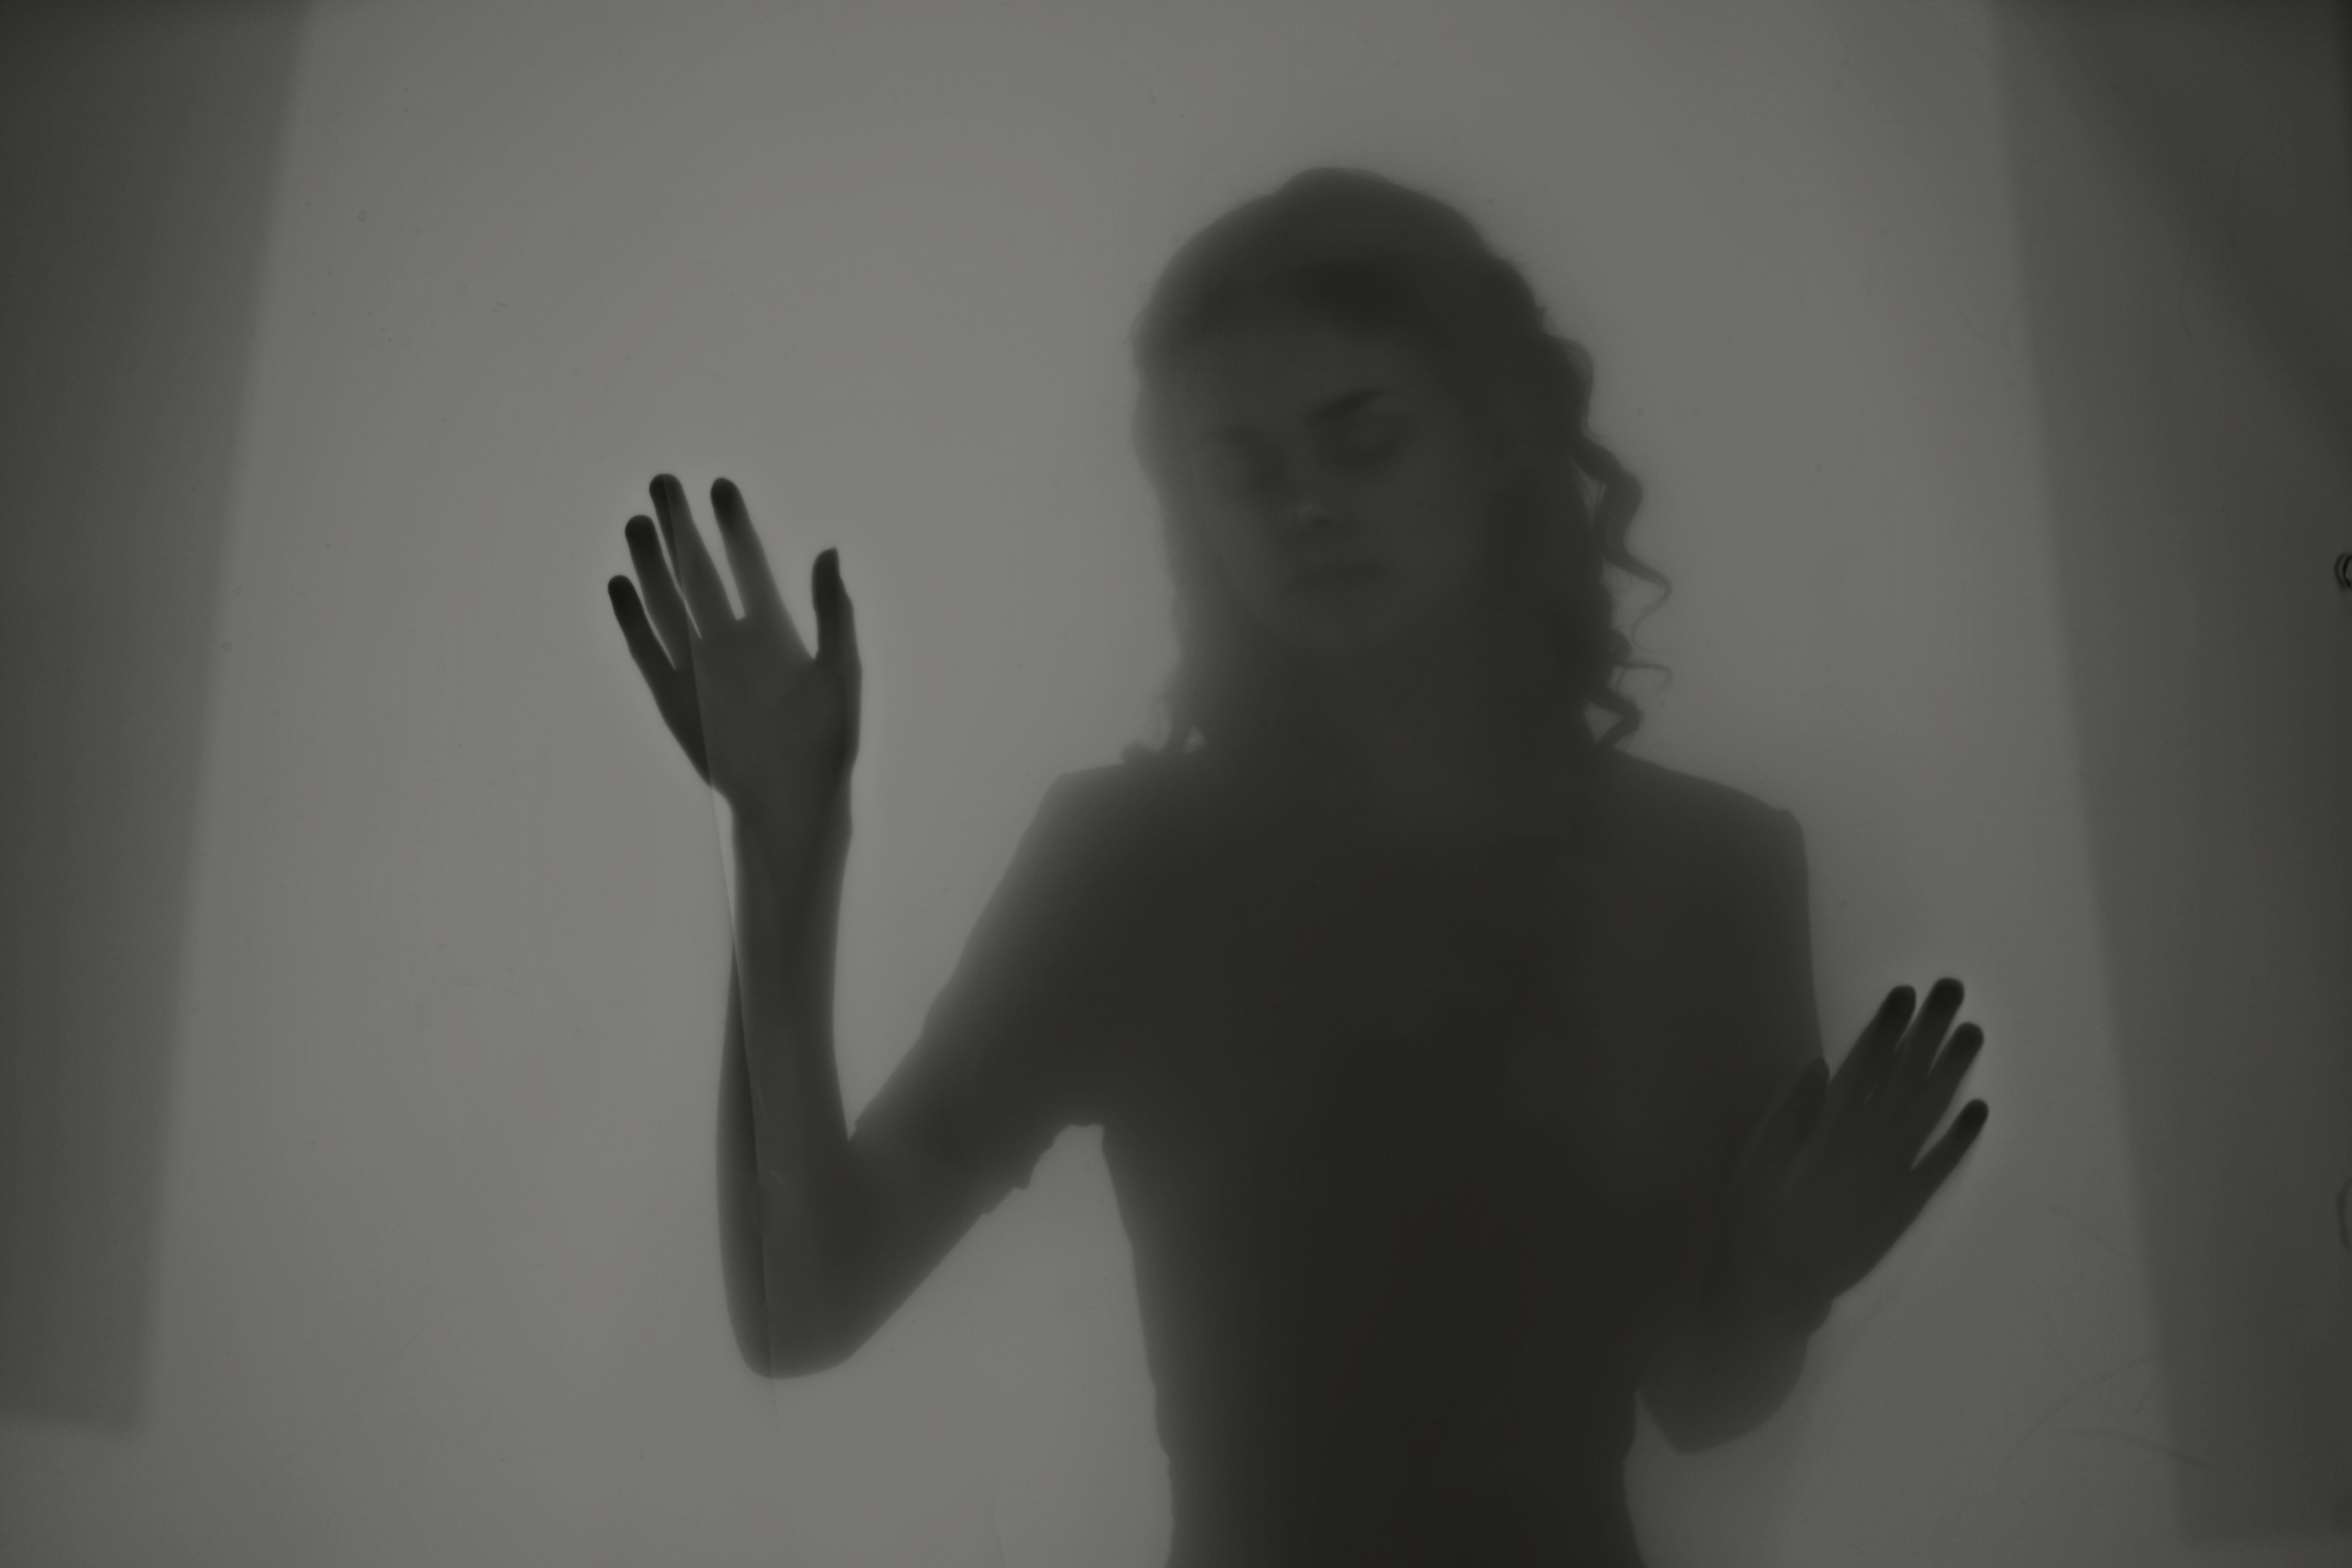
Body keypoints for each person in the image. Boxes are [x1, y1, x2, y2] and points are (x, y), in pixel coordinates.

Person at [605, 166, 1991, 1568]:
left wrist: (1782, 1278)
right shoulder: (1129, 867)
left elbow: (1701, 1402)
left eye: (1361, 439)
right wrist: (783, 848)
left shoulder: (1714, 870)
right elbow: (804, 1308)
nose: (1305, 506)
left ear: (1497, 436)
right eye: (1242, 467)